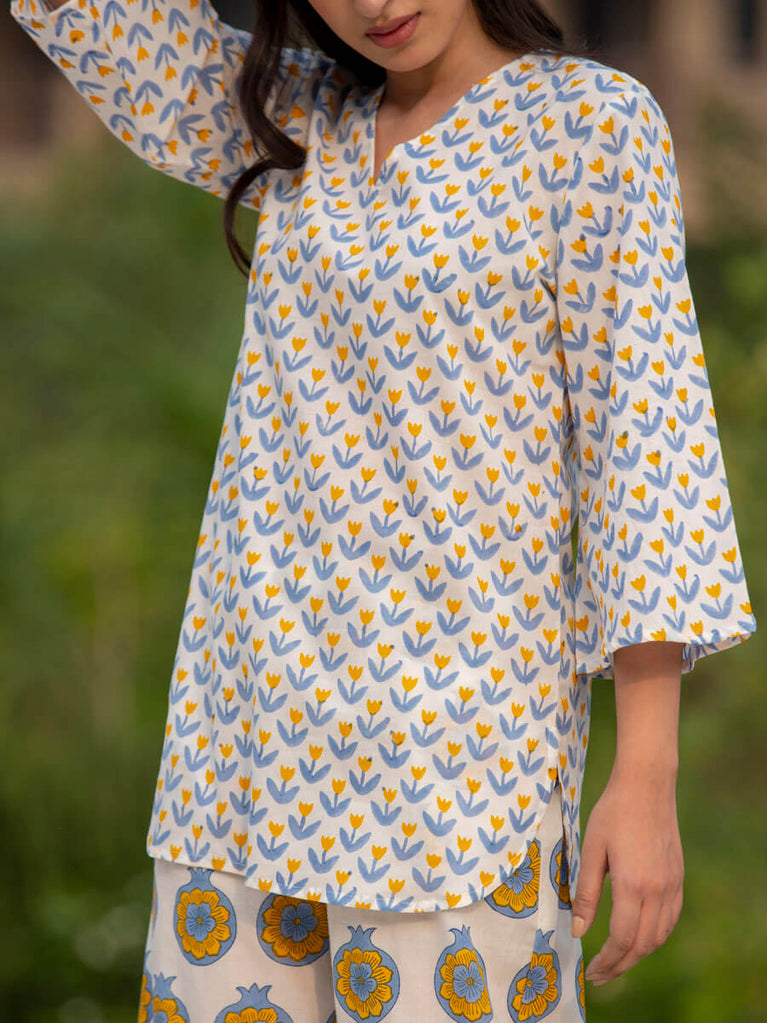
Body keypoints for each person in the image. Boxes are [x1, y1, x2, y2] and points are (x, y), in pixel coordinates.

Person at [11, 0, 757, 1019]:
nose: (373, 5)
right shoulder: (294, 120)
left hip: (459, 779)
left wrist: (645, 772)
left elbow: (645, 452)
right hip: (244, 758)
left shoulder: (587, 126)